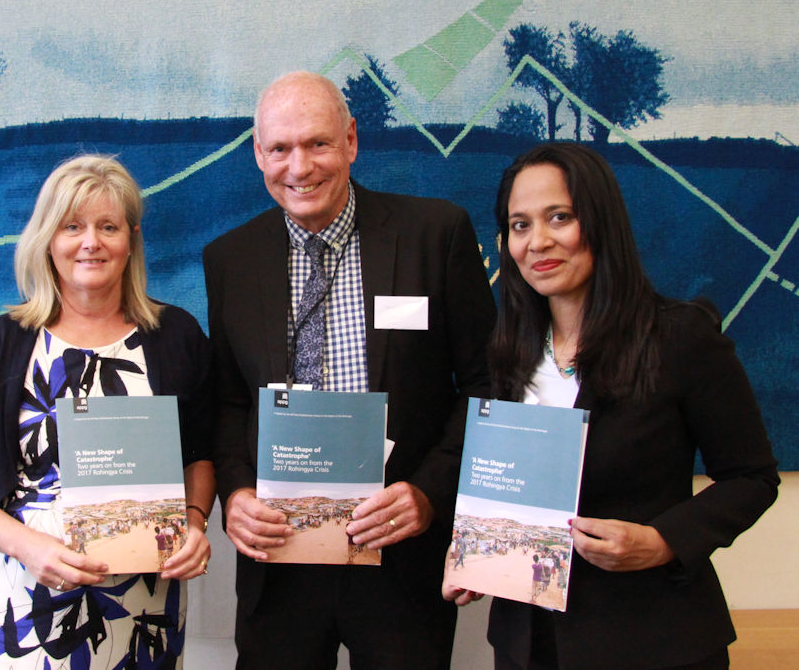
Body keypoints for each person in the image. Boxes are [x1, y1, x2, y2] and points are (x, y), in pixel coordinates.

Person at [442, 143, 780, 669]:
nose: (540, 242)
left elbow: (753, 477)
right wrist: (477, 551)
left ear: (600, 222)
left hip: (653, 641)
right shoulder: (506, 352)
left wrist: (664, 540)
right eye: (520, 225)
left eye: (560, 217)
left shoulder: (679, 337)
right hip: (529, 644)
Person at [202, 71, 496, 669]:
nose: (299, 166)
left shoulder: (434, 235)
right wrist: (234, 494)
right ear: (259, 153)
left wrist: (430, 493)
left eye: (317, 144)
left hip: (399, 555)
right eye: (280, 148)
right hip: (278, 559)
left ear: (352, 141)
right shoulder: (230, 259)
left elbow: (487, 385)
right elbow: (230, 402)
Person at [0, 155, 216, 668]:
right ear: (47, 239)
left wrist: (195, 523)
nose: (91, 242)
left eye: (108, 227)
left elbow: (199, 455)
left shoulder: (177, 337)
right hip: (23, 594)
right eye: (73, 226)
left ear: (130, 240)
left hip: (144, 601)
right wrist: (27, 547)